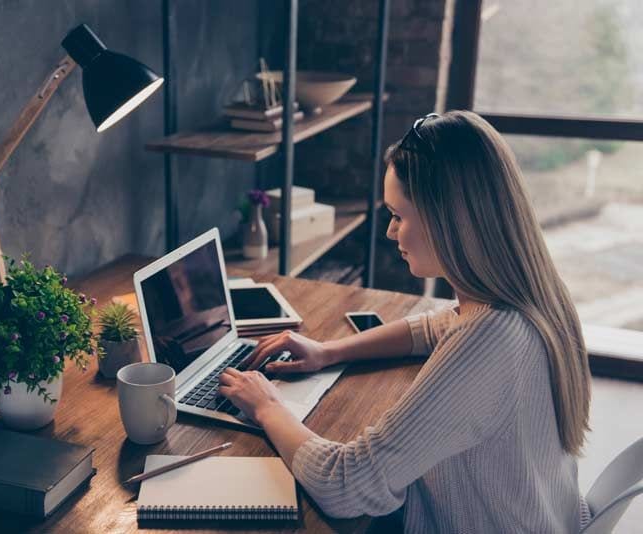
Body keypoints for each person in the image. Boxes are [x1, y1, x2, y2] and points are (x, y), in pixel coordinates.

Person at [219, 111, 593, 533]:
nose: (390, 232)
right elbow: (434, 327)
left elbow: (348, 485)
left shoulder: (489, 338)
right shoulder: (532, 295)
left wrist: (268, 406)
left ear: (448, 220)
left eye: (398, 215)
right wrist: (328, 351)